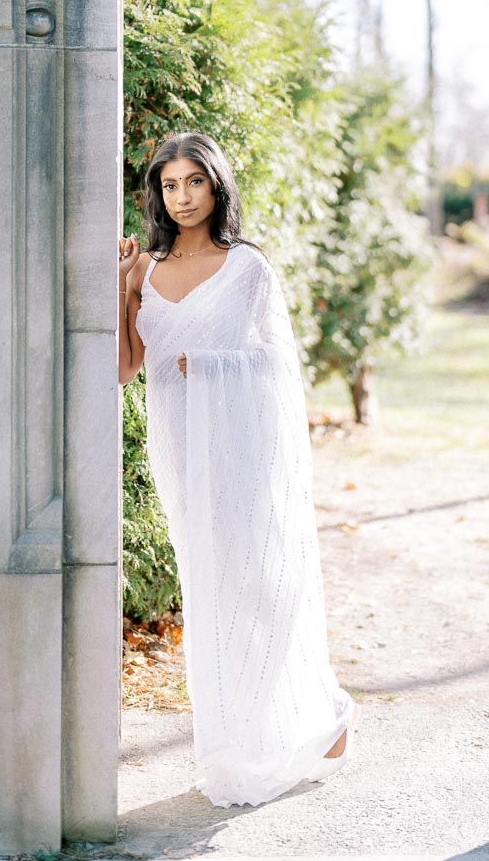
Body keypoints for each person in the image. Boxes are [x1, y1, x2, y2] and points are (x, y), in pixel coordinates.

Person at [118, 131, 359, 808]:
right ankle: (233, 748)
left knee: (260, 586)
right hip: (181, 449)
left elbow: (280, 367)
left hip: (244, 451)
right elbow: (123, 368)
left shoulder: (247, 268)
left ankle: (315, 714)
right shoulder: (144, 271)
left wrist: (214, 369)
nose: (183, 196)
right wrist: (118, 283)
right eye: (170, 185)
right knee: (210, 591)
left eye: (195, 182)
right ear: (158, 194)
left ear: (216, 186)